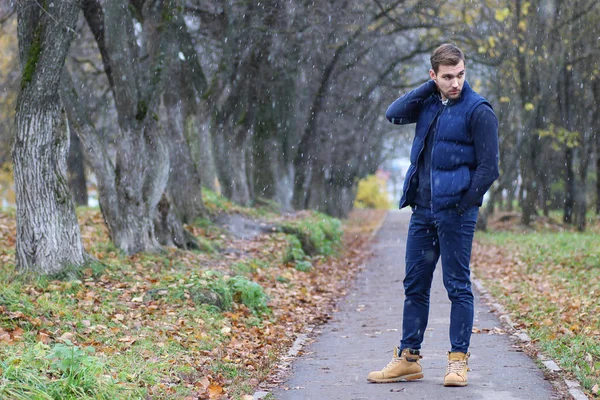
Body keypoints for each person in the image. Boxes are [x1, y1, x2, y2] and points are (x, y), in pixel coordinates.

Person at [367, 43, 499, 387]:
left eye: (460, 75)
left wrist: (463, 203)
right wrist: (429, 89)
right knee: (415, 285)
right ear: (434, 76)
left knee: (457, 286)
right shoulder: (428, 102)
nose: (455, 83)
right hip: (423, 211)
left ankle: (458, 362)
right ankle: (408, 359)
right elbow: (393, 113)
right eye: (447, 77)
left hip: (456, 214)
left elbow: (489, 168)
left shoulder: (479, 110)